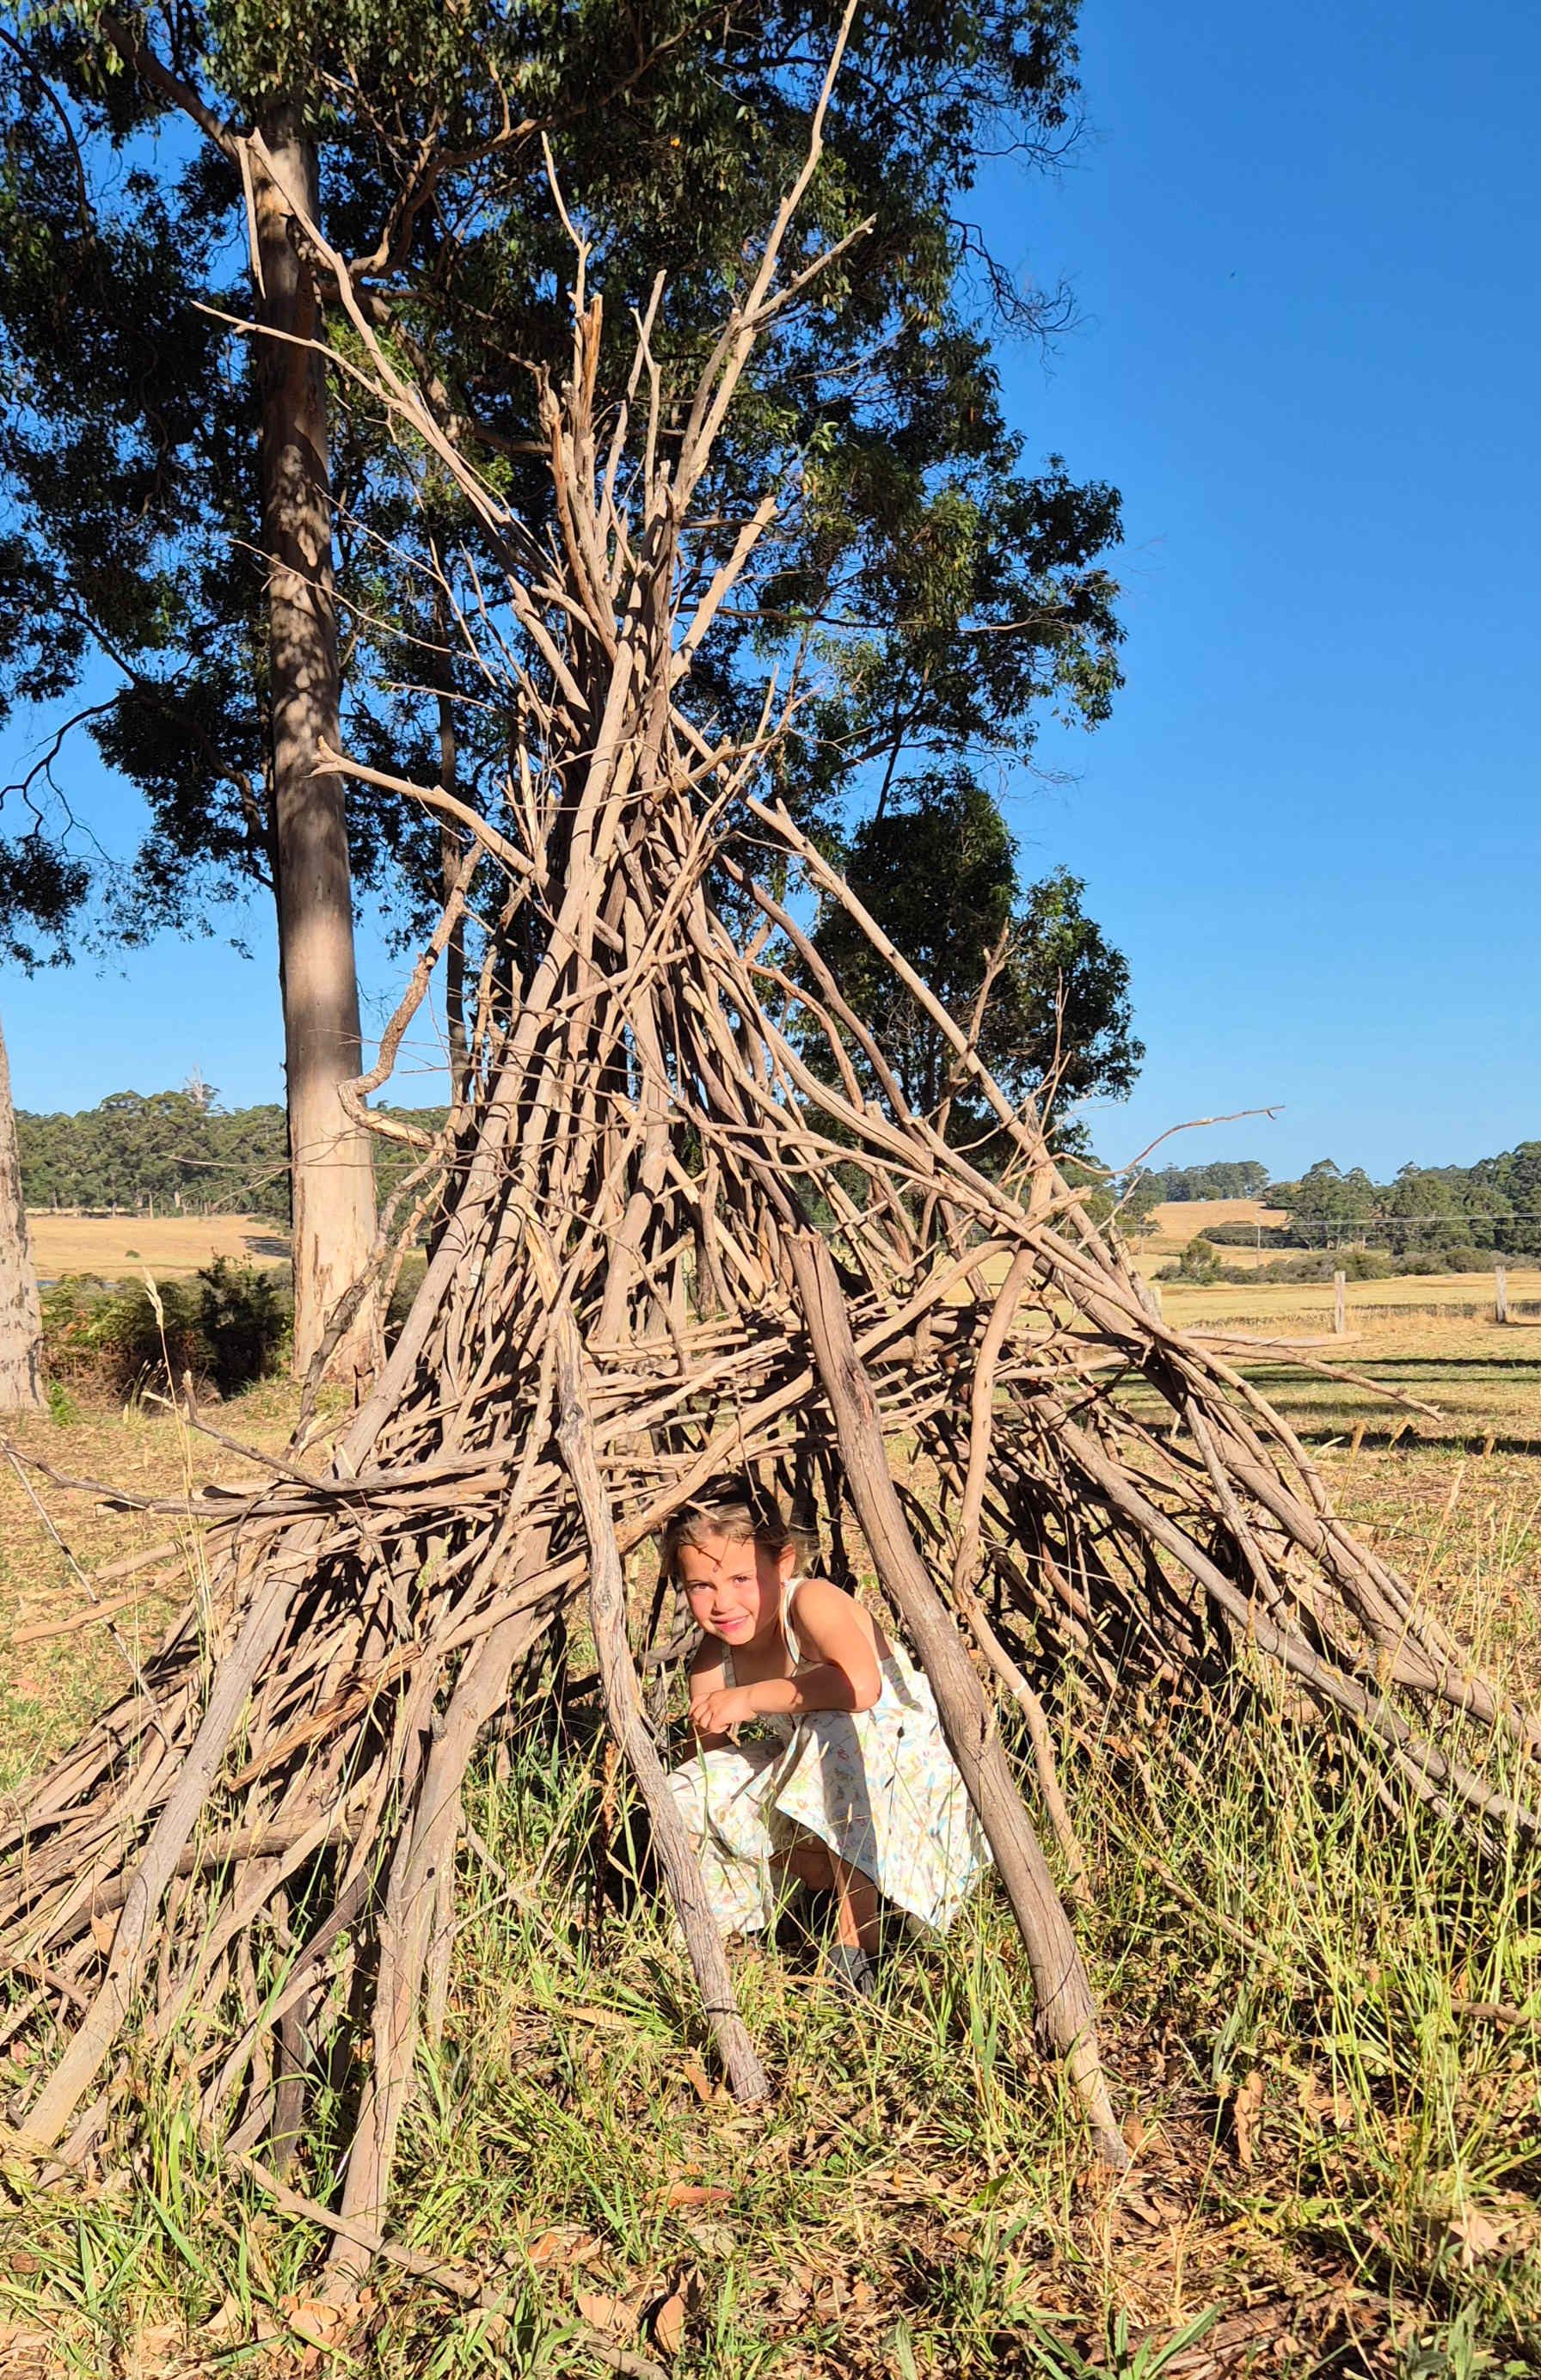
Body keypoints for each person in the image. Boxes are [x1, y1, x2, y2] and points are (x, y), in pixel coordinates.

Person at [663, 1479, 989, 1996]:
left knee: (829, 1725)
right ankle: (779, 1902)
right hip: (828, 1794)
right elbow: (706, 1758)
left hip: (906, 1785)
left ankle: (857, 1944)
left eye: (742, 1578)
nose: (723, 1602)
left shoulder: (810, 1602)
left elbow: (860, 1687)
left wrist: (751, 1698)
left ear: (783, 1563)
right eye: (702, 1586)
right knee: (684, 1789)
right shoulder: (714, 1655)